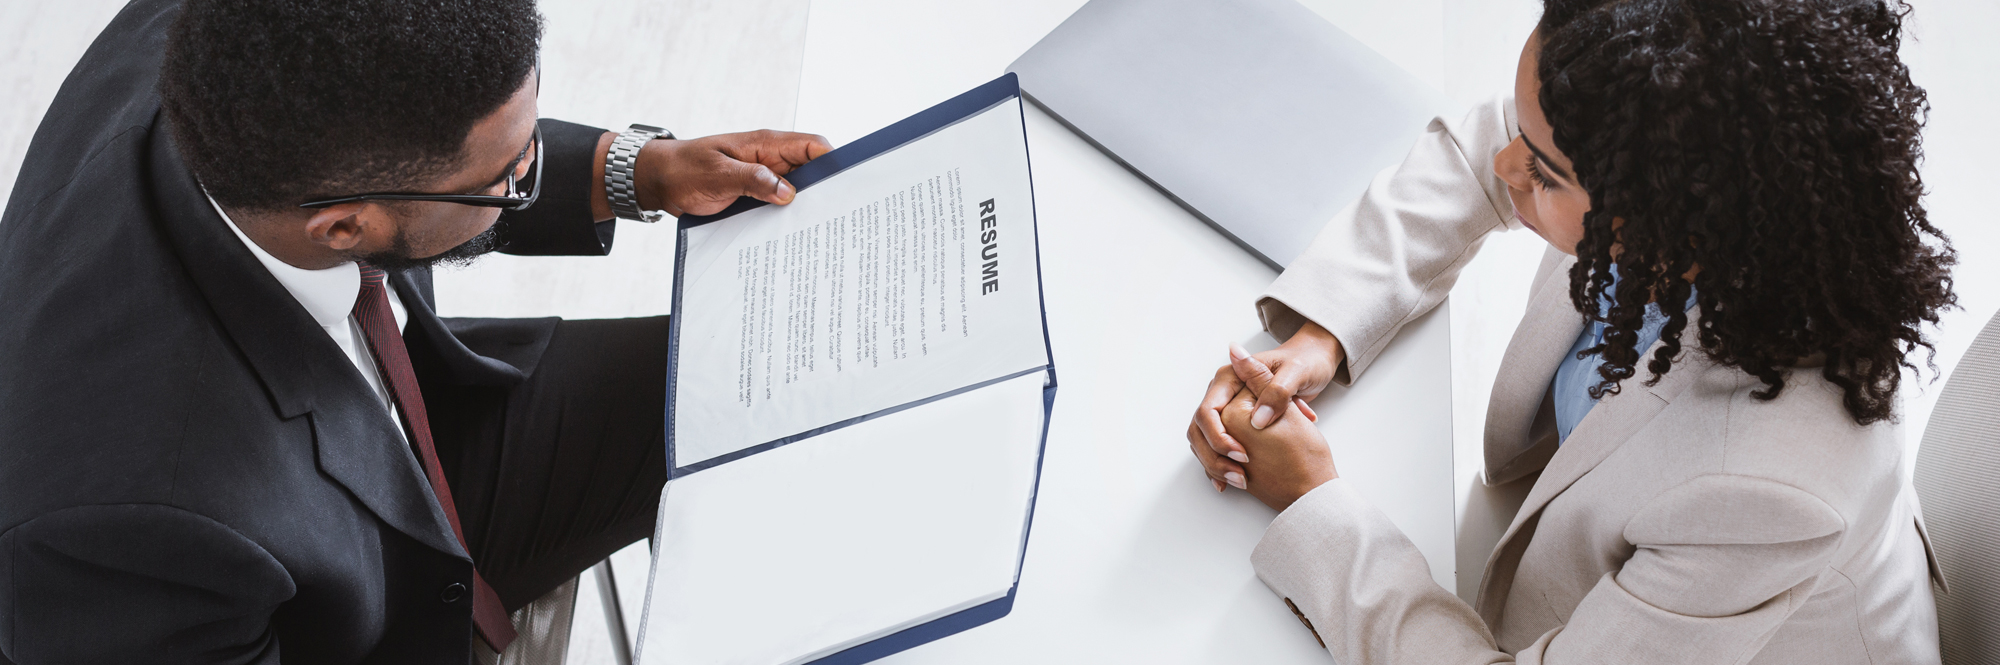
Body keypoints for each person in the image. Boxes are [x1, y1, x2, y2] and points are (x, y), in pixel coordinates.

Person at [0, 0, 830, 662]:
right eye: (504, 180)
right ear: (343, 228)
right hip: (347, 610)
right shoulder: (130, 530)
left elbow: (436, 137)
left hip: (424, 423)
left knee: (758, 377)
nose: (525, 176)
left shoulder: (234, 50)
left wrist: (642, 170)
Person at [1186, 0, 1952, 661]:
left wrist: (1312, 500)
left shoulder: (1768, 491)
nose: (1504, 163)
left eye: (1546, 174)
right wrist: (1325, 333)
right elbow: (1487, 145)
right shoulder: (1649, 133)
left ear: (1684, 218)